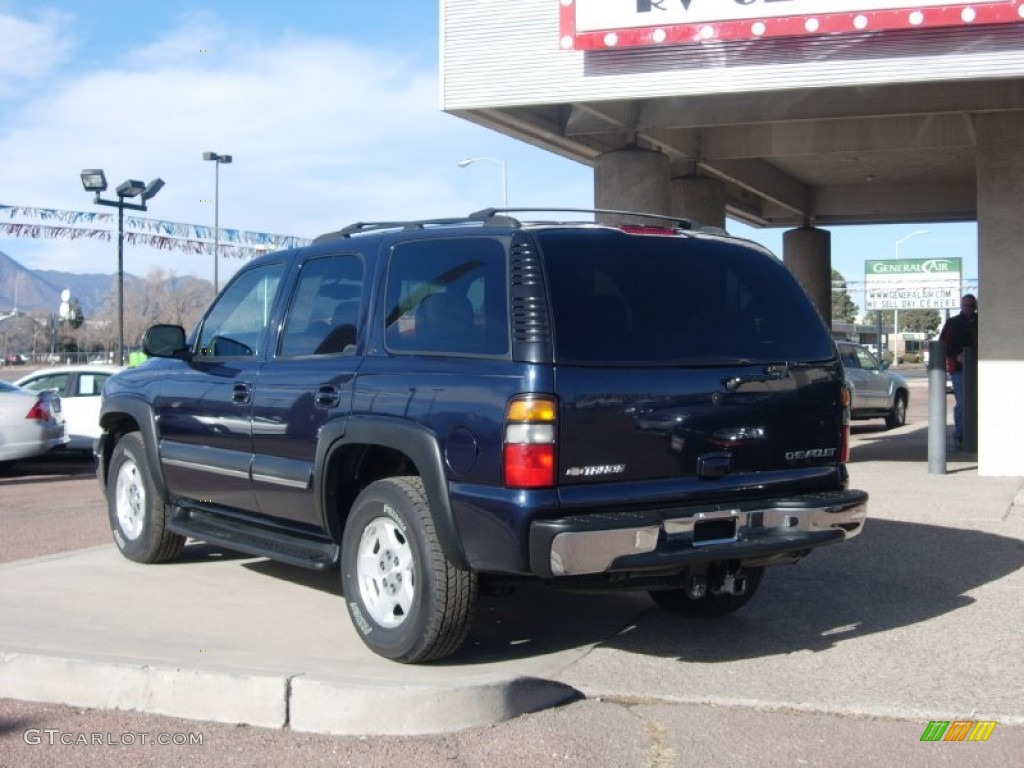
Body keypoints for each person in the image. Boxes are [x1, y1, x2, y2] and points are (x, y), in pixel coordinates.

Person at [939, 293, 978, 450]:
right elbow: (942, 344)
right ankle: (960, 436)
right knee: (962, 403)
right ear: (961, 306)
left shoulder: (980, 322)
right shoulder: (953, 323)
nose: (969, 309)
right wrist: (956, 355)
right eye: (966, 306)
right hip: (959, 369)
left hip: (978, 367)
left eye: (972, 306)